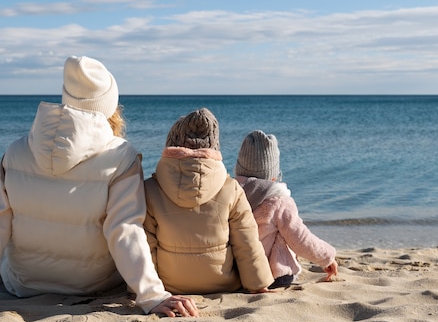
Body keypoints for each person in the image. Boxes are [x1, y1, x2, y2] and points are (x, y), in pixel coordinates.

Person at [0, 56, 198, 318]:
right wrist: (152, 296)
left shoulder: (17, 150)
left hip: (21, 284)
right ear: (109, 105)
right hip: (93, 283)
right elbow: (124, 231)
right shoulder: (121, 155)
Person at [143, 108, 274, 295]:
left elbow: (145, 245)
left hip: (168, 284)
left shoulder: (150, 189)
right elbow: (246, 241)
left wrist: (141, 289)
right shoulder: (231, 188)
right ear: (213, 149)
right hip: (222, 282)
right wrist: (258, 284)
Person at [234, 130, 338, 288]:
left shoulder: (230, 195)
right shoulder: (279, 202)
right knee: (286, 234)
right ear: (274, 176)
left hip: (236, 275)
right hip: (272, 275)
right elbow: (301, 239)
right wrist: (327, 257)